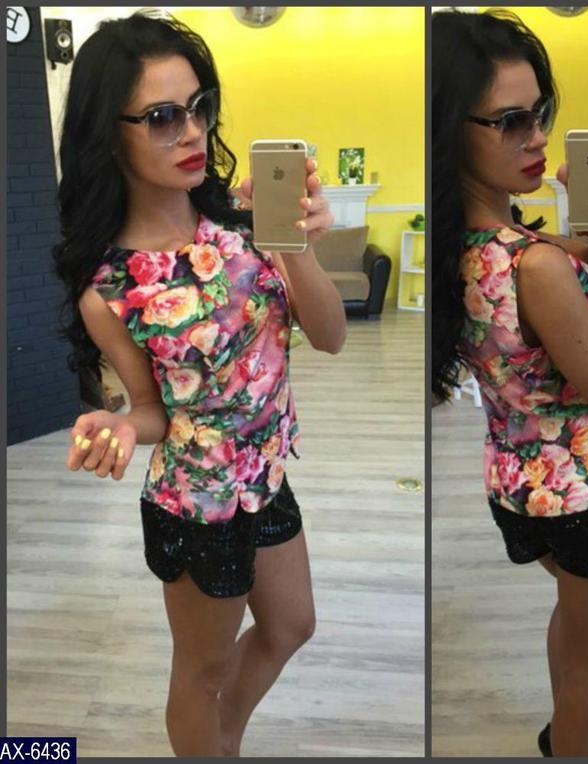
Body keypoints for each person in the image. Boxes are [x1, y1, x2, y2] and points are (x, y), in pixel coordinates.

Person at [52, 11, 346, 757]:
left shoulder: (244, 222)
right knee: (201, 671)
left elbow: (331, 335)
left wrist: (297, 248)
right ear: (108, 134)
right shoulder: (109, 287)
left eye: (199, 106)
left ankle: (224, 741)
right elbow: (154, 410)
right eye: (161, 117)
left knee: (292, 625)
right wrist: (124, 424)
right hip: (197, 501)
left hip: (266, 474)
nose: (191, 132)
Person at [431, 9, 588, 758]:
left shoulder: (472, 248)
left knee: (574, 626)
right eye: (509, 122)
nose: (535, 138)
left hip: (521, 487)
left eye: (539, 116)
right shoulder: (533, 266)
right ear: (451, 130)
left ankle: (564, 734)